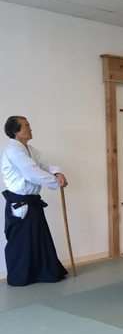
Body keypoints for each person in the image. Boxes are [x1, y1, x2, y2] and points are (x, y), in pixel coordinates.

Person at [2, 116, 68, 286]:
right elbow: (32, 173)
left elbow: (44, 165)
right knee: (21, 242)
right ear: (16, 132)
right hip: (21, 203)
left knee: (38, 238)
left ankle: (41, 272)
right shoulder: (14, 151)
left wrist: (57, 174)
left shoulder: (29, 149)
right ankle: (21, 276)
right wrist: (55, 182)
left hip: (31, 202)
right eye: (26, 126)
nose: (30, 129)